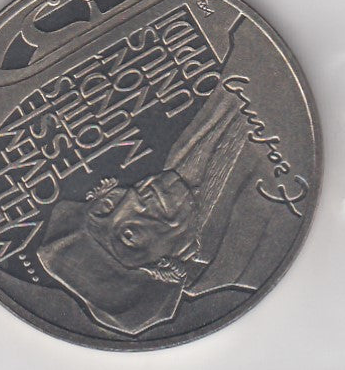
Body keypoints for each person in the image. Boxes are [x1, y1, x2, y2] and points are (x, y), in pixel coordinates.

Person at [37, 89, 273, 336]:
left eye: (105, 207)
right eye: (129, 235)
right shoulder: (244, 262)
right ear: (164, 268)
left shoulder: (180, 158)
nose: (131, 197)